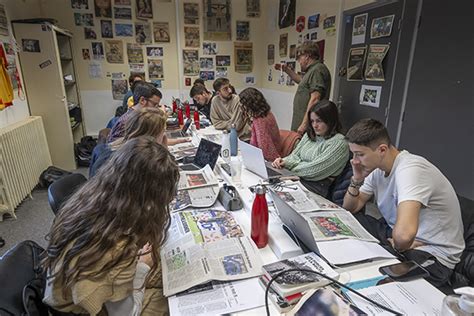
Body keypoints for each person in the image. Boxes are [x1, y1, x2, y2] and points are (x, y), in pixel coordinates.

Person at [43, 136, 180, 315]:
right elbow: (127, 313)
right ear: (148, 201)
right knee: (168, 297)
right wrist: (142, 267)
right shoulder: (116, 248)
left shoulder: (91, 198)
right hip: (91, 310)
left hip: (64, 294)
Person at [342, 118, 465, 288]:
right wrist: (356, 179)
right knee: (349, 223)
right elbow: (350, 207)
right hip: (401, 237)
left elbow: (404, 236)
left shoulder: (410, 169)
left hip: (433, 254)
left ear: (382, 150)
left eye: (360, 154)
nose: (354, 161)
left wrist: (399, 244)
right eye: (353, 154)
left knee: (374, 276)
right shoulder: (378, 169)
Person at [272, 100, 349, 197]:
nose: (314, 125)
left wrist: (289, 169)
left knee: (277, 194)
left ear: (330, 120)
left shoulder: (339, 143)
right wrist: (283, 161)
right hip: (297, 176)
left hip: (315, 185)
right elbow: (295, 155)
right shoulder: (310, 135)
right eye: (312, 121)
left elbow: (315, 169)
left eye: (319, 121)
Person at [91, 107, 167, 177]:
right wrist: (163, 153)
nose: (164, 134)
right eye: (163, 131)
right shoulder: (135, 161)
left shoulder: (123, 146)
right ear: (152, 135)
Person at [275, 41, 331, 134]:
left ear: (307, 56)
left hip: (308, 126)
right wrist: (286, 70)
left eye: (299, 58)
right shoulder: (312, 70)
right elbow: (302, 82)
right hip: (303, 123)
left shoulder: (317, 70)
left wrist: (304, 124)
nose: (299, 61)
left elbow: (315, 98)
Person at [239, 87, 282, 161]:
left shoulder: (259, 120)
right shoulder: (268, 113)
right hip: (275, 150)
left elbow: (265, 147)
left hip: (268, 159)